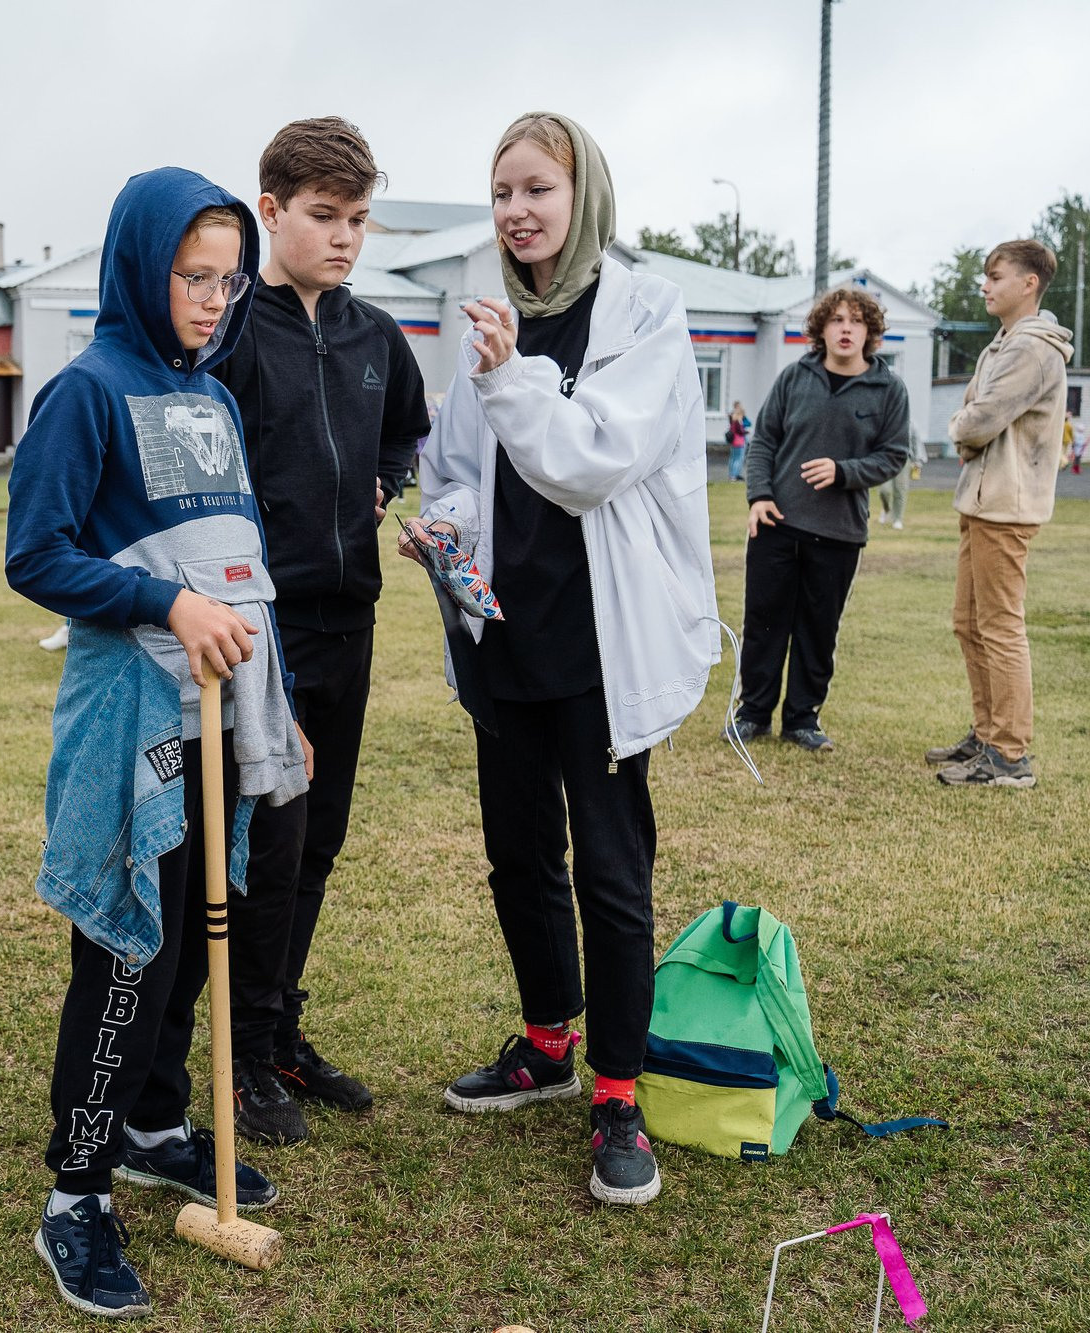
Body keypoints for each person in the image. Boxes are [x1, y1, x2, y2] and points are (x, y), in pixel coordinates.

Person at [5, 168, 310, 1318]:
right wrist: (161, 606)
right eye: (193, 276)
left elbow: (238, 565)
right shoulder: (84, 393)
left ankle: (150, 1125)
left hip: (219, 716)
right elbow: (33, 555)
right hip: (132, 713)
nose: (213, 301)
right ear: (141, 264)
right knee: (129, 946)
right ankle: (73, 1197)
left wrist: (277, 716)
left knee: (194, 939)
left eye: (229, 282)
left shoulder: (215, 400)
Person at [400, 112, 718, 1209]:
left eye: (536, 189)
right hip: (503, 630)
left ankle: (617, 1095)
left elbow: (590, 459)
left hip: (601, 644)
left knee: (609, 872)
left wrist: (506, 377)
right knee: (517, 853)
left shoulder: (643, 313)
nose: (516, 212)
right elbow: (454, 459)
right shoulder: (486, 313)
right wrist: (439, 530)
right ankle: (545, 1042)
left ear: (582, 194)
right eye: (500, 194)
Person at [212, 116, 428, 1145]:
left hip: (355, 620)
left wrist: (391, 486)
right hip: (265, 630)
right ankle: (242, 1053)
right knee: (269, 838)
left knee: (323, 840)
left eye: (357, 219)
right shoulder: (231, 334)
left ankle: (282, 1029)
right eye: (322, 216)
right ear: (270, 212)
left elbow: (404, 435)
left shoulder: (375, 335)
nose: (343, 237)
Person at [729, 287, 909, 752]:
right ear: (821, 329)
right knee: (764, 623)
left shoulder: (889, 389)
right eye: (836, 320)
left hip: (839, 532)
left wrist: (844, 471)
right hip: (777, 524)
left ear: (870, 332)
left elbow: (894, 456)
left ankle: (802, 720)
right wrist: (758, 496)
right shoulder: (794, 378)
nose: (846, 328)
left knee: (818, 630)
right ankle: (752, 714)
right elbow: (764, 441)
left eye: (856, 321)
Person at [926, 240, 1070, 788]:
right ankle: (987, 734)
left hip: (1006, 507)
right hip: (981, 501)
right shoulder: (1002, 345)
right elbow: (973, 410)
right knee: (969, 624)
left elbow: (977, 419)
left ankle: (1009, 755)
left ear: (1029, 283)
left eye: (996, 276)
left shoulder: (1032, 349)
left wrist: (964, 430)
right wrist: (970, 427)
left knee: (1001, 627)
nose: (986, 286)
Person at [877, 416, 924, 530]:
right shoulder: (885, 420)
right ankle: (886, 509)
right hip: (886, 458)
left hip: (903, 459)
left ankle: (897, 519)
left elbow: (915, 441)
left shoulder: (910, 423)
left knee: (900, 489)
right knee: (884, 490)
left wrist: (917, 461)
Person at [725, 400, 750, 481]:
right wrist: (746, 432)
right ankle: (734, 475)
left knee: (733, 458)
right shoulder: (738, 421)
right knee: (738, 459)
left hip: (734, 442)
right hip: (739, 442)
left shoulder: (732, 420)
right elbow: (740, 431)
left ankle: (732, 474)